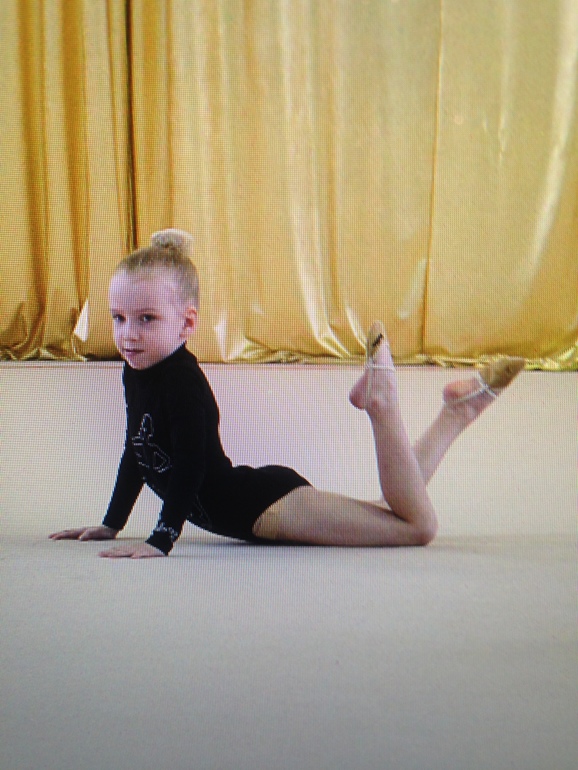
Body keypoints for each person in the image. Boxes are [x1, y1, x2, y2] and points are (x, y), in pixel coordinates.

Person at [50, 229, 525, 558]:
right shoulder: (137, 372)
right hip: (260, 501)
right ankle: (458, 412)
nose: (128, 334)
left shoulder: (182, 383)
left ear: (187, 323)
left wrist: (161, 538)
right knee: (390, 511)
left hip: (266, 509)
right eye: (118, 318)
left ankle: (382, 405)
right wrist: (112, 522)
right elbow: (138, 451)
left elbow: (190, 465)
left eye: (146, 319)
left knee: (416, 528)